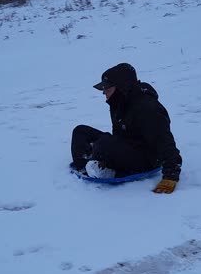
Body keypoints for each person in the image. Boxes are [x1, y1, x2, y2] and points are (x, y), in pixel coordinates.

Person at [70, 63, 182, 194]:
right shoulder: (118, 101)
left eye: (107, 87)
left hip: (147, 159)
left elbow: (164, 141)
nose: (103, 92)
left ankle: (108, 170)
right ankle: (87, 167)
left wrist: (171, 175)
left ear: (121, 86)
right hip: (127, 147)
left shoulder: (146, 107)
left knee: (104, 143)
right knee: (80, 131)